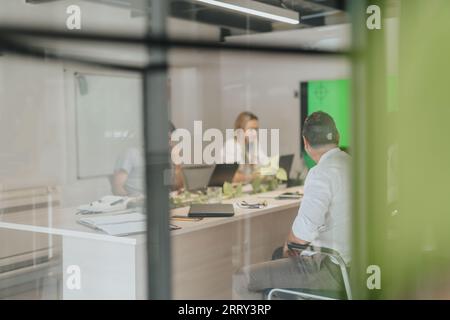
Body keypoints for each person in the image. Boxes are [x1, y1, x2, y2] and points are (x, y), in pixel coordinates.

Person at [233, 111, 351, 299]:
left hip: (334, 270)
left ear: (306, 142)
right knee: (277, 255)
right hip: (357, 266)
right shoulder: (352, 164)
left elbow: (300, 237)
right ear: (337, 137)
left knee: (243, 278)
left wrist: (289, 249)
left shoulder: (320, 173)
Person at [112, 122, 184, 196]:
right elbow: (117, 188)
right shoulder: (130, 153)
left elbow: (176, 188)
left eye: (172, 140)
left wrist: (176, 164)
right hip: (138, 204)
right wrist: (134, 201)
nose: (170, 144)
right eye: (167, 138)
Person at [221, 111, 269, 184]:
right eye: (251, 129)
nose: (254, 133)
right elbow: (232, 176)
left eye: (256, 129)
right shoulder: (230, 146)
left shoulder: (254, 145)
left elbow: (266, 167)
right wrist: (252, 176)